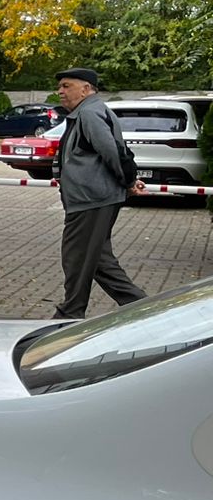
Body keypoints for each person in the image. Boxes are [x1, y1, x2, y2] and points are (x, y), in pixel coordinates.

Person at [51, 66, 146, 319]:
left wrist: (128, 181)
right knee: (100, 263)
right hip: (91, 199)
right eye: (59, 86)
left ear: (85, 89)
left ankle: (69, 316)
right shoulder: (88, 112)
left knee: (76, 259)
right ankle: (145, 309)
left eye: (66, 86)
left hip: (91, 201)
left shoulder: (90, 114)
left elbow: (113, 152)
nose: (60, 91)